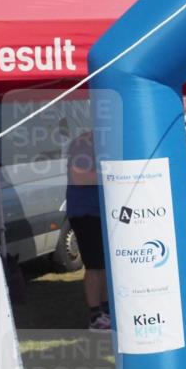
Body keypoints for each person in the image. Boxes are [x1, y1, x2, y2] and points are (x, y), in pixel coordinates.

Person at [65, 130, 110, 330]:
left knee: (103, 265)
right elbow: (79, 177)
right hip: (85, 212)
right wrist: (112, 173)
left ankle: (106, 311)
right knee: (94, 265)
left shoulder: (103, 141)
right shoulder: (83, 143)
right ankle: (95, 316)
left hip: (100, 211)